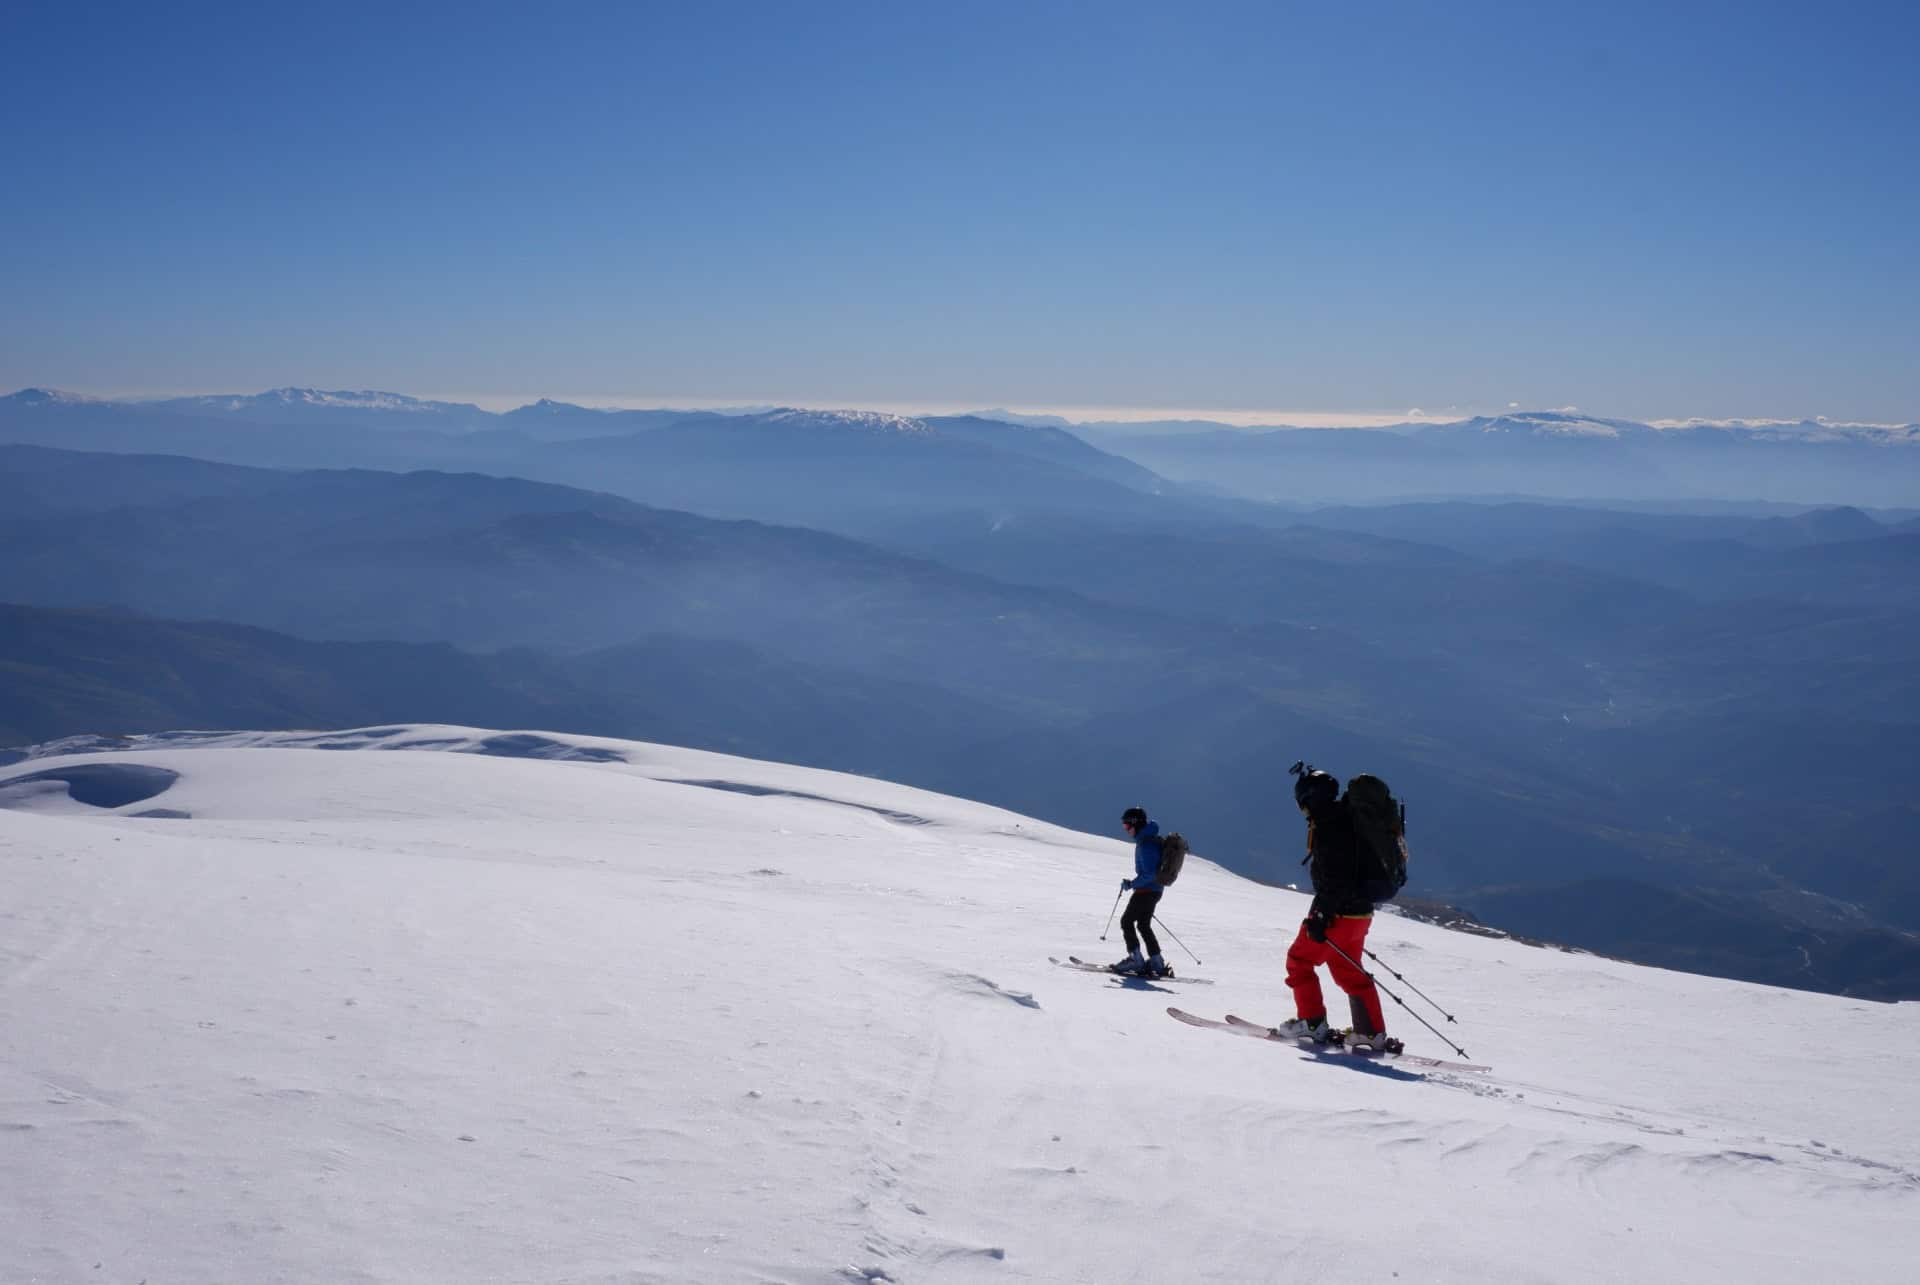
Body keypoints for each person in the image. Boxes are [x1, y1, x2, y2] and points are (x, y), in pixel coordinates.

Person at [1275, 768, 1399, 1052]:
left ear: (1308, 799)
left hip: (1338, 914)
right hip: (1361, 915)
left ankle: (1312, 1024)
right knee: (1349, 972)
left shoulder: (1329, 826)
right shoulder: (1350, 820)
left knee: (1299, 961)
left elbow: (1335, 878)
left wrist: (1320, 916)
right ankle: (1370, 1033)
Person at [1112, 806, 1171, 977]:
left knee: (1126, 921)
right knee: (1144, 925)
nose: (1126, 830)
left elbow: (1150, 874)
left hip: (1146, 890)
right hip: (1154, 890)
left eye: (1127, 826)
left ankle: (1136, 960)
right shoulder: (1148, 839)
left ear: (1135, 824)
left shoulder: (1146, 844)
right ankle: (1157, 963)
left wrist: (1131, 884)